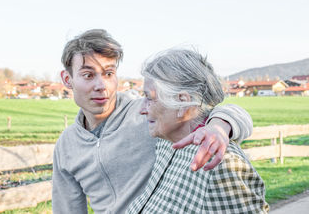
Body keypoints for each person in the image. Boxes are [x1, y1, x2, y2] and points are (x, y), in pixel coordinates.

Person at [52, 29, 253, 214]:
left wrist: (219, 125)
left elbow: (220, 109)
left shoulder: (153, 115)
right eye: (88, 75)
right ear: (67, 79)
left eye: (109, 73)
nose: (101, 85)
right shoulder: (66, 146)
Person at [126, 48, 269, 213]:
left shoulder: (221, 162)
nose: (142, 109)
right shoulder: (166, 141)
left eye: (149, 98)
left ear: (182, 102)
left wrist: (222, 123)